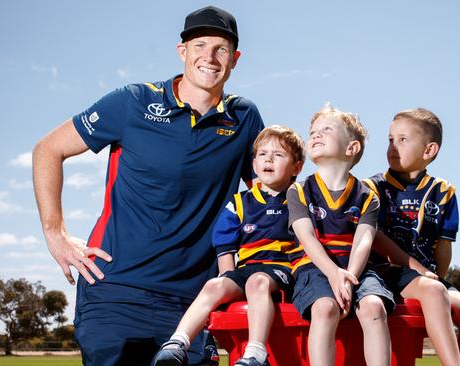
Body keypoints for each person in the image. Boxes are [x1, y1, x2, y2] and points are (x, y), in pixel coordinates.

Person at [32, 6, 264, 365]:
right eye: (199, 45)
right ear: (181, 51)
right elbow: (49, 149)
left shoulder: (244, 118)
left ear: (235, 59)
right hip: (116, 291)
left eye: (220, 49)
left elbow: (270, 193)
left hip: (192, 303)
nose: (209, 57)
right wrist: (54, 233)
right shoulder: (134, 102)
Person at [151, 126, 305, 366]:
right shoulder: (239, 203)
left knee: (258, 282)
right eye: (263, 154)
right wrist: (226, 278)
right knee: (214, 285)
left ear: (297, 167)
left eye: (278, 155)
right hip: (245, 269)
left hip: (281, 269)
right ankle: (177, 344)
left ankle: (255, 353)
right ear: (254, 164)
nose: (269, 159)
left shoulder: (300, 200)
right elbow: (225, 245)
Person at [365, 108, 460, 366]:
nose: (393, 146)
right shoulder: (372, 187)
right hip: (387, 272)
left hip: (426, 278)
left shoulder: (444, 191)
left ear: (429, 150)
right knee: (432, 290)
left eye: (403, 139)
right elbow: (372, 237)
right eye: (390, 139)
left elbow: (444, 247)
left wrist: (438, 280)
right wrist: (427, 281)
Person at [286, 104, 395, 366]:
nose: (315, 135)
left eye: (326, 129)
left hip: (355, 269)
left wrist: (349, 278)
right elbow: (307, 238)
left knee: (373, 307)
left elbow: (364, 241)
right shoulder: (298, 191)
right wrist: (333, 274)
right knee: (325, 308)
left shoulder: (367, 196)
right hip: (314, 267)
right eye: (312, 131)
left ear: (352, 148)